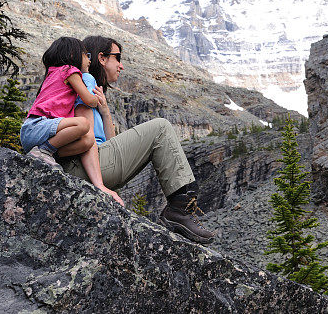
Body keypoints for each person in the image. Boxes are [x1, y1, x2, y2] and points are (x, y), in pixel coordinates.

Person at [63, 35, 216, 245]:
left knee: (157, 130)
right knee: (161, 128)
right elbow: (85, 135)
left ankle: (181, 208)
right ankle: (180, 209)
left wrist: (106, 113)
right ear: (101, 58)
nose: (121, 66)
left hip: (89, 165)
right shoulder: (85, 83)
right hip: (83, 167)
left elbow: (109, 144)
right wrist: (98, 183)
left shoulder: (92, 90)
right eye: (117, 58)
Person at [20, 36, 124, 206]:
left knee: (86, 139)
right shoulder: (71, 72)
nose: (88, 60)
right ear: (73, 55)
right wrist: (98, 99)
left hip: (32, 131)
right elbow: (88, 100)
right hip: (38, 126)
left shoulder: (54, 72)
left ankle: (46, 151)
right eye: (85, 55)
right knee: (83, 125)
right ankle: (44, 151)